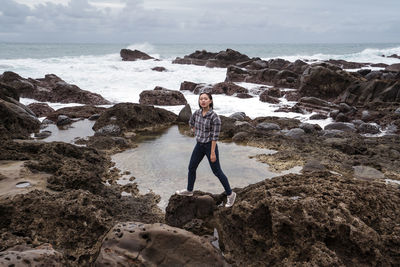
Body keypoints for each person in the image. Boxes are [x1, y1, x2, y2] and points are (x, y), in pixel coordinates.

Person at [176, 92, 236, 207]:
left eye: (205, 99)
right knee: (191, 167)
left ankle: (230, 194)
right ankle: (189, 190)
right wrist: (195, 131)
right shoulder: (197, 113)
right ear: (199, 101)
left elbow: (215, 136)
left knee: (217, 171)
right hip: (199, 145)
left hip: (209, 146)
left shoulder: (215, 117)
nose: (203, 101)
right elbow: (191, 122)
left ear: (210, 101)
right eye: (201, 99)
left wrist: (213, 152)